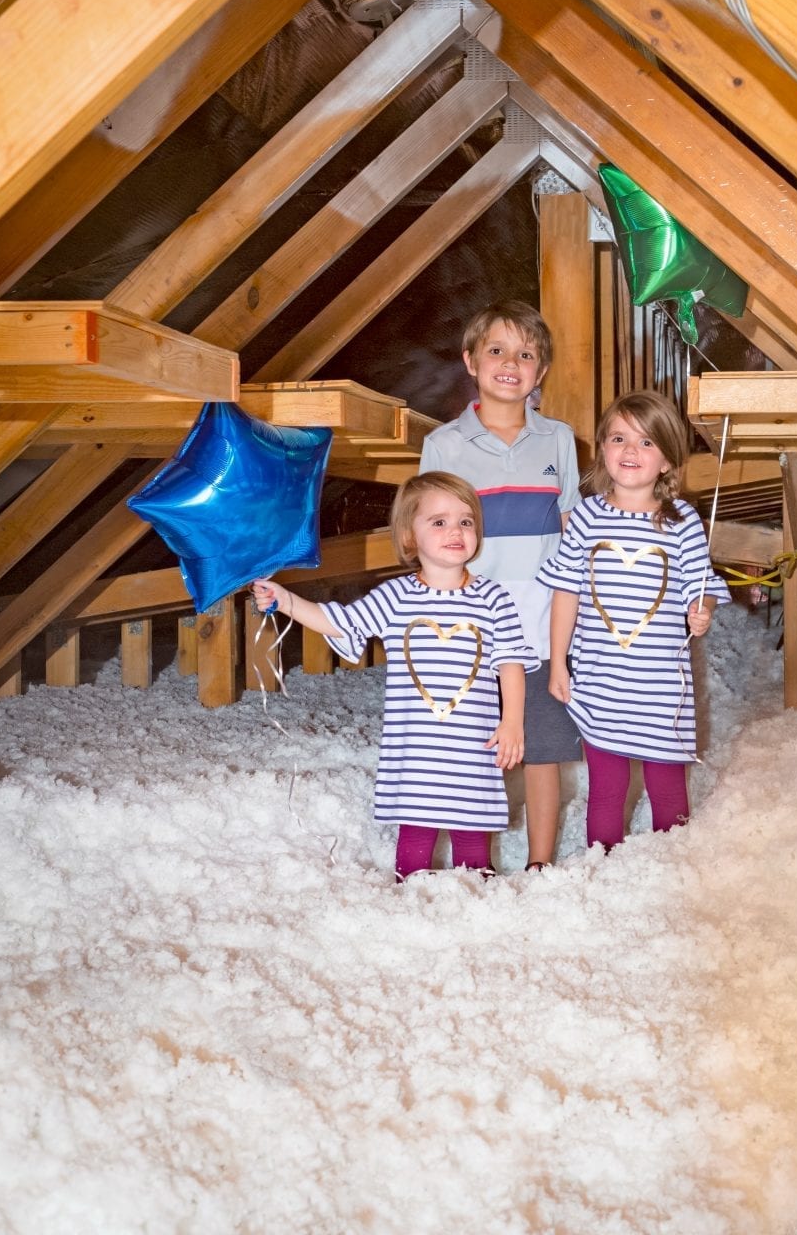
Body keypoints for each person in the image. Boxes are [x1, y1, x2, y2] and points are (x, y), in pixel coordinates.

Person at [252, 472, 534, 881]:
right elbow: (340, 622)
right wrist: (286, 599)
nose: (455, 530)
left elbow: (510, 663)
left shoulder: (494, 597)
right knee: (416, 834)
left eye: (466, 521)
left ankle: (479, 909)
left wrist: (512, 723)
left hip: (474, 743)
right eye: (438, 522)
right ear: (408, 537)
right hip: (414, 744)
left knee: (473, 834)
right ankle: (408, 900)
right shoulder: (396, 596)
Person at [419, 301, 581, 871]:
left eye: (526, 354)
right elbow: (430, 531)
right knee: (469, 752)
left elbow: (572, 527)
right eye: (496, 350)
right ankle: (473, 863)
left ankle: (540, 863)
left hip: (541, 630)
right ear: (470, 360)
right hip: (471, 633)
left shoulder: (558, 439)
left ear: (540, 372)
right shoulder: (444, 446)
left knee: (542, 750)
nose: (510, 363)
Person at [538, 390, 729, 851]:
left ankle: (670, 866)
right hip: (600, 680)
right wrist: (559, 664)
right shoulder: (585, 516)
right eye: (619, 438)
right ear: (603, 447)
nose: (630, 451)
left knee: (668, 788)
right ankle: (602, 869)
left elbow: (697, 588)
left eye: (646, 443)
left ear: (666, 460)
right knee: (607, 789)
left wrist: (701, 611)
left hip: (661, 685)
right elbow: (565, 592)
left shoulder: (682, 520)